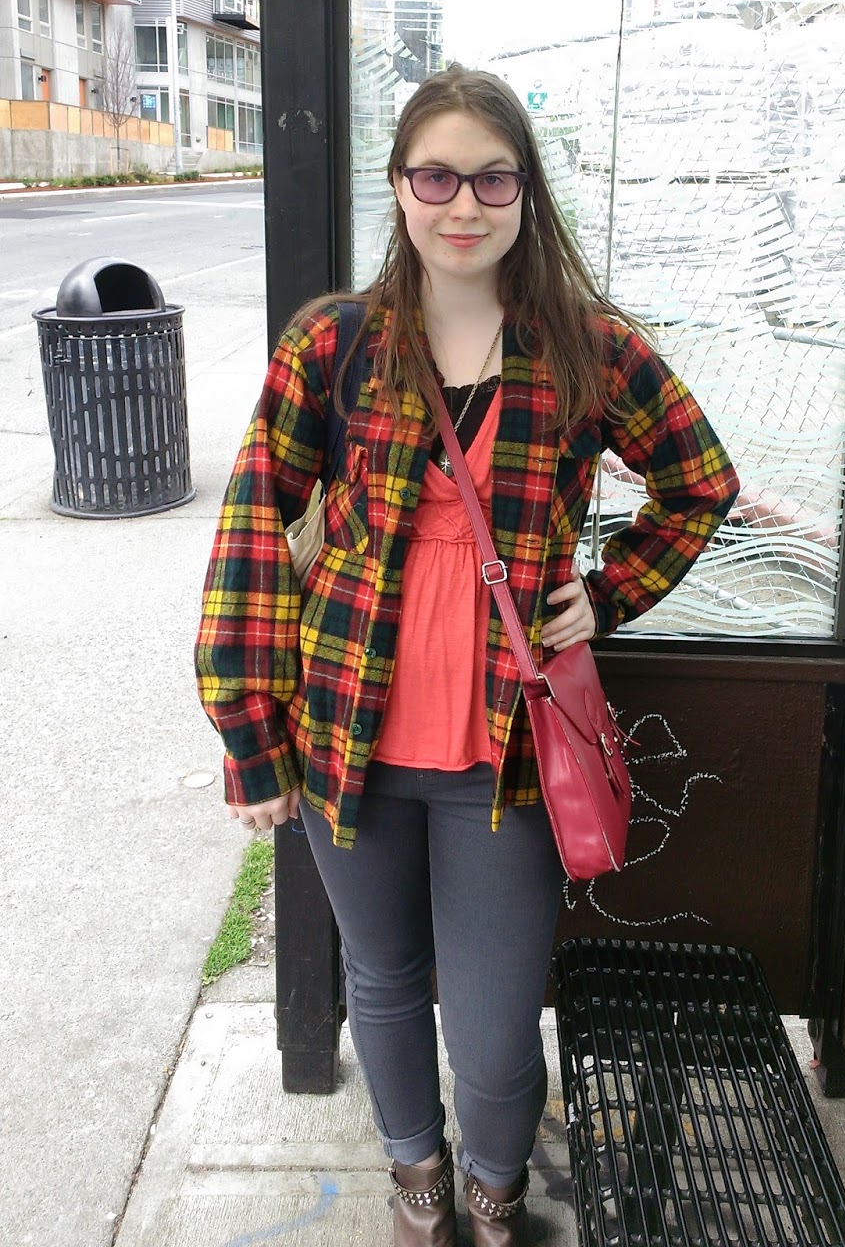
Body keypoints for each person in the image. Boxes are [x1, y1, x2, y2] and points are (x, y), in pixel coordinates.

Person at [195, 66, 739, 1247]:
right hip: (347, 736)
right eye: (436, 176)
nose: (463, 204)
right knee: (383, 980)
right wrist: (249, 736)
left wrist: (606, 594)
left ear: (526, 192)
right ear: (399, 186)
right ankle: (417, 1179)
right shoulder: (335, 344)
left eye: (493, 179)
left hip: (507, 755)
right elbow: (253, 526)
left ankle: (494, 1189)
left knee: (493, 1028)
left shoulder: (589, 349)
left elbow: (700, 484)